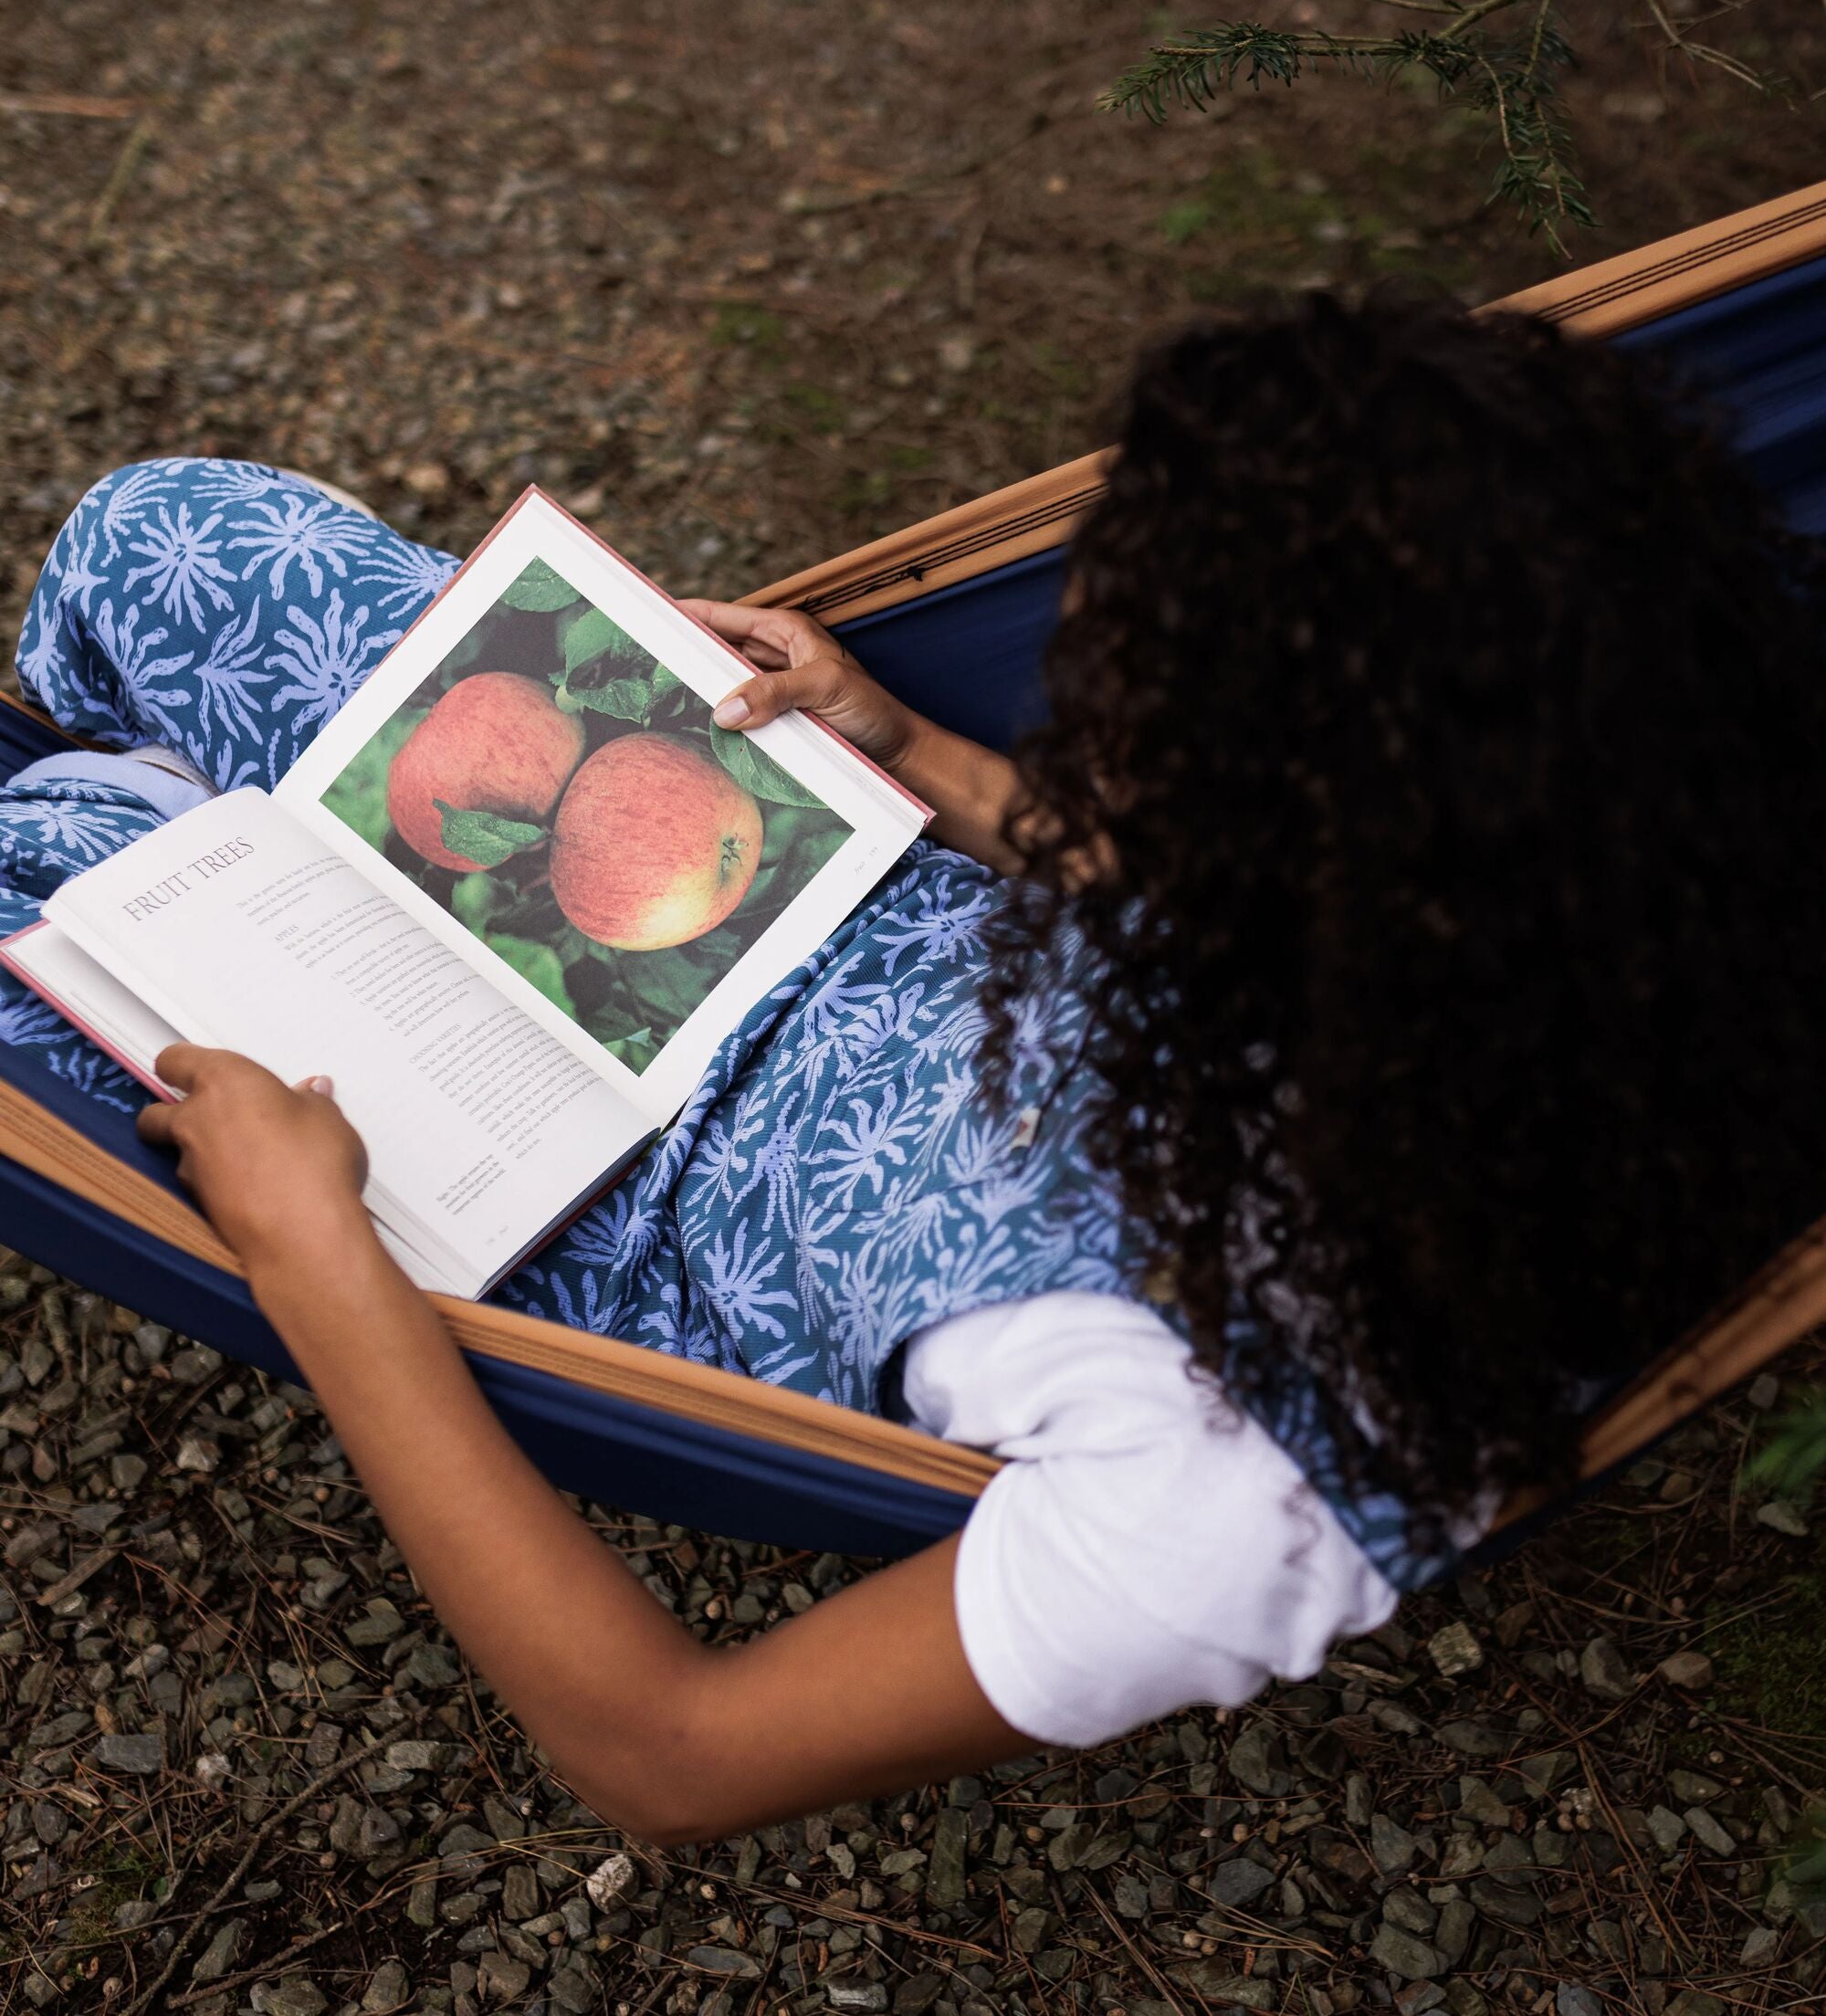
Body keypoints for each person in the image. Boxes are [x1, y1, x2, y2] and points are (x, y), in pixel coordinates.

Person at [5, 292, 1825, 1843]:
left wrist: (317, 1259)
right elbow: (1212, 858)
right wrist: (920, 751)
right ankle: (159, 814)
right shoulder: (1572, 891)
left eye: (1143, 681)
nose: (1096, 701)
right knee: (164, 534)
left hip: (603, 1198)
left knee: (31, 916)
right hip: (764, 882)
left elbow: (673, 1751)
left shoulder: (1256, 1478)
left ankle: (129, 823)